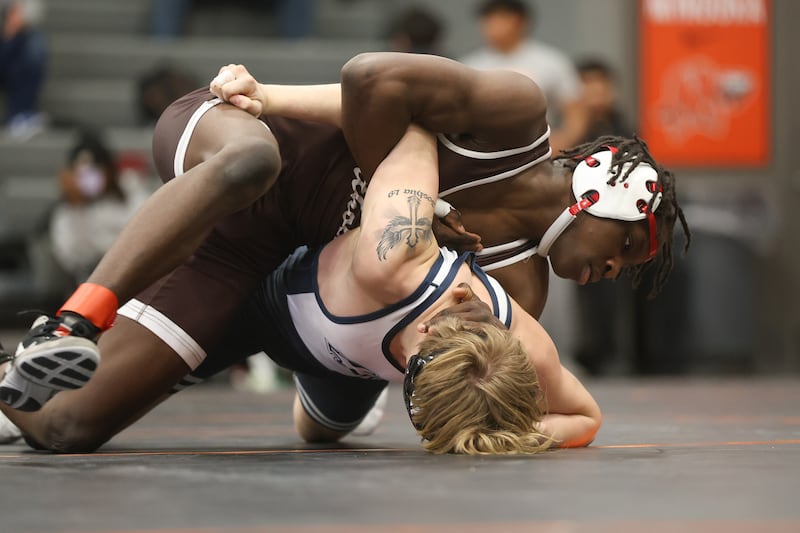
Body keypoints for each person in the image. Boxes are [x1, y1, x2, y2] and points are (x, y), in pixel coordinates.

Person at [0, 52, 688, 452]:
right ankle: (74, 318)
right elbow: (371, 78)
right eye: (628, 245)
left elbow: (472, 386)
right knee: (251, 164)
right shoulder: (513, 116)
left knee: (68, 424)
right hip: (250, 157)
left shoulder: (517, 284)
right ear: (598, 187)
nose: (613, 270)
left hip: (270, 275)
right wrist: (267, 95)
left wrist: (499, 434)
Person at [258, 124, 600, 453]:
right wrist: (269, 97)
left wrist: (504, 436)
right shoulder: (393, 257)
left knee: (317, 431)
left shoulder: (530, 351)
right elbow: (410, 120)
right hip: (273, 299)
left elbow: (587, 418)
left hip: (353, 359)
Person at [460, 0, 588, 154]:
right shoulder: (469, 66)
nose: (494, 26)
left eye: (502, 18)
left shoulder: (551, 61)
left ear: (521, 22)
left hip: (538, 147)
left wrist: (563, 141)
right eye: (488, 20)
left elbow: (575, 110)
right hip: (484, 150)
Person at [48, 130, 151, 284]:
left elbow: (145, 232)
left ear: (109, 168)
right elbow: (71, 257)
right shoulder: (67, 210)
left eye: (95, 169)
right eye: (81, 172)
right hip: (92, 282)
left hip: (137, 274)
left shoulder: (130, 187)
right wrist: (77, 209)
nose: (88, 178)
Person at [0, 0, 47, 139]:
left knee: (36, 44)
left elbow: (35, 11)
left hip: (15, 52)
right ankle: (18, 116)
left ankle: (20, 115)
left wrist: (15, 27)